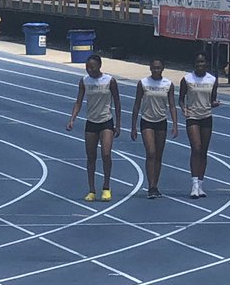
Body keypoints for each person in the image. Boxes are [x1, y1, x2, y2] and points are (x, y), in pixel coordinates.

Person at [66, 53, 121, 201]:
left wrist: (118, 124)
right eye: (87, 67)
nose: (89, 69)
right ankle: (91, 190)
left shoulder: (109, 80)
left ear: (99, 66)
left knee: (106, 154)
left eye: (92, 67)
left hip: (106, 121)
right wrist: (72, 119)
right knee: (91, 157)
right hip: (91, 122)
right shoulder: (84, 81)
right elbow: (78, 102)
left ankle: (106, 187)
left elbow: (117, 102)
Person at [131, 57, 177, 199]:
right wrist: (133, 126)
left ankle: (155, 185)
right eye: (154, 68)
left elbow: (172, 105)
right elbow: (137, 104)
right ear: (150, 68)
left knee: (158, 155)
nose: (156, 70)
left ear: (162, 69)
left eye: (159, 68)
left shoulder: (168, 84)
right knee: (150, 152)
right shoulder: (143, 83)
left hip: (161, 121)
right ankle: (150, 186)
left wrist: (175, 124)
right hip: (147, 121)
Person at [179, 52, 219, 198]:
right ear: (194, 64)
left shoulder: (212, 80)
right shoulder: (187, 79)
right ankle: (194, 184)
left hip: (206, 117)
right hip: (193, 117)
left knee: (204, 151)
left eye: (202, 62)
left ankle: (201, 184)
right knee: (196, 148)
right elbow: (181, 99)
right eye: (197, 63)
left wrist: (215, 103)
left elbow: (212, 99)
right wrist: (184, 109)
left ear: (206, 64)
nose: (200, 65)